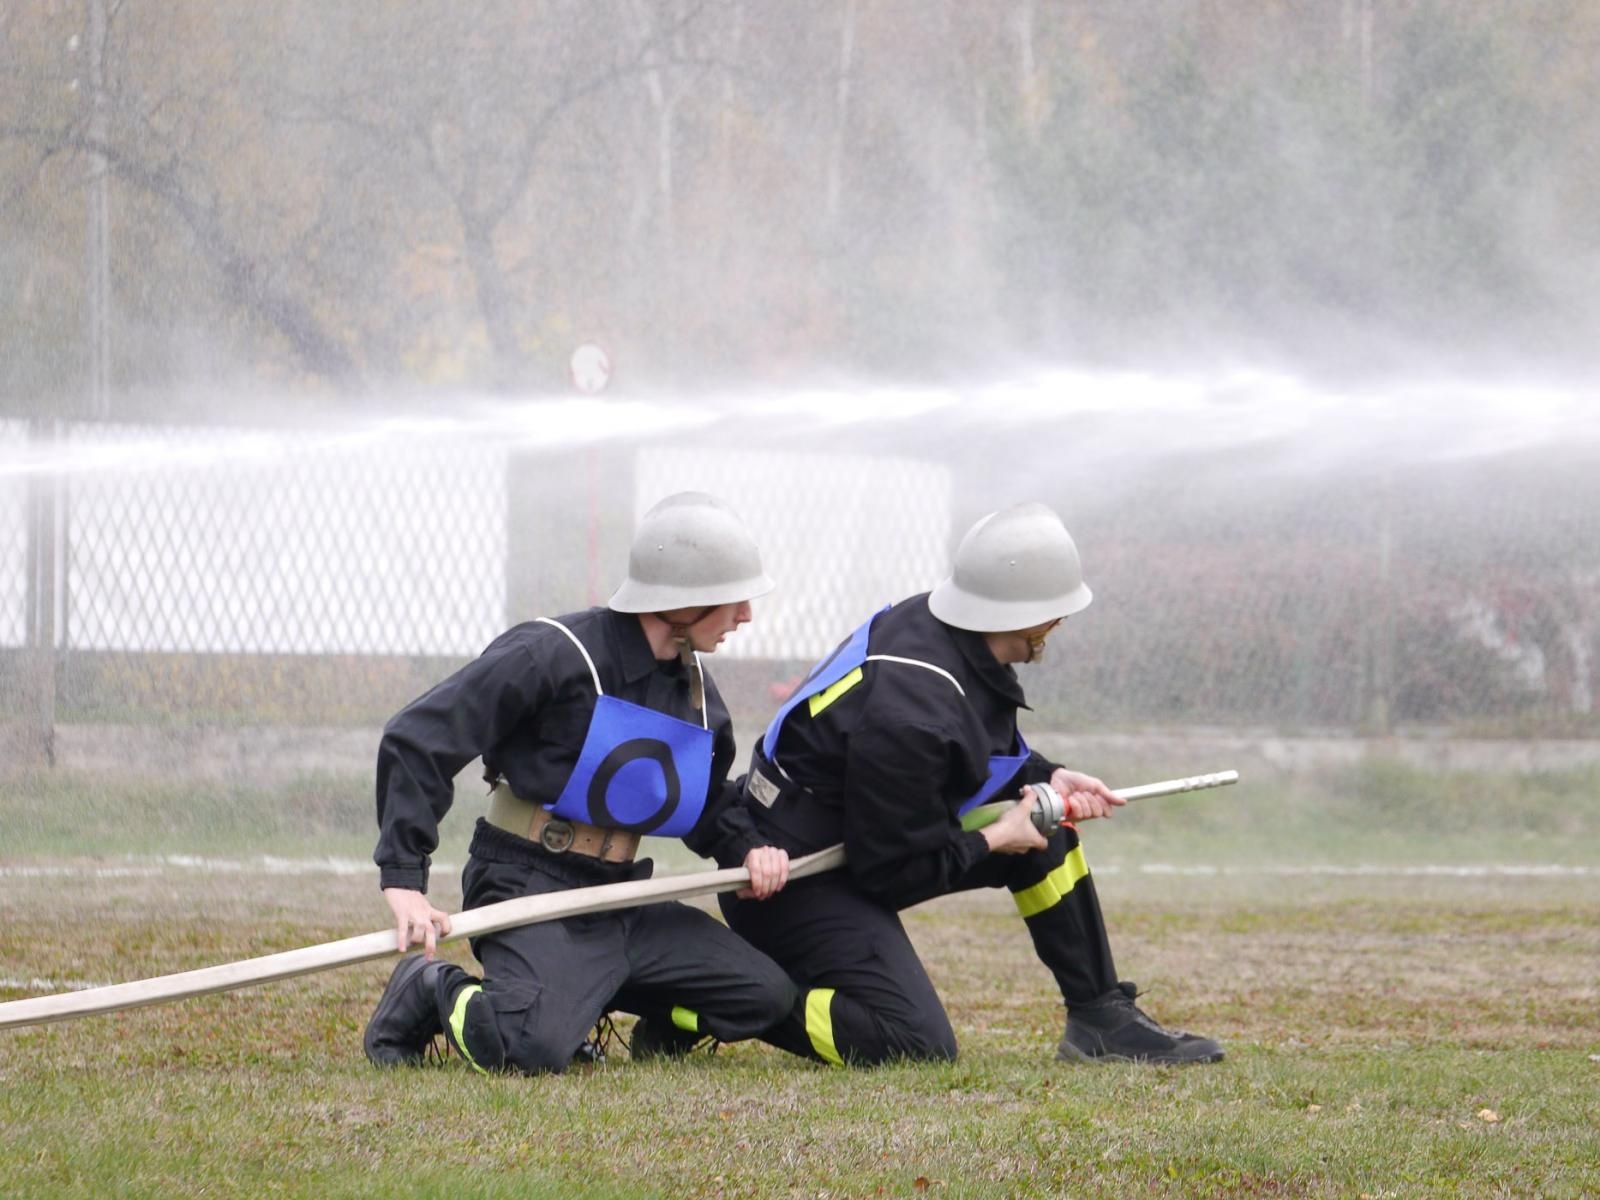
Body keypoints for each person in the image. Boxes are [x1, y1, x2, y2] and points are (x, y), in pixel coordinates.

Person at [719, 501, 1223, 1067]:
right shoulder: (912, 712)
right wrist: (996, 838)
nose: (1060, 623)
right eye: (1056, 611)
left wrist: (1046, 777)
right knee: (916, 1045)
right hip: (791, 879)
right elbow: (889, 869)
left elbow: (966, 757)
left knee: (1045, 827)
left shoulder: (947, 634)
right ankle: (718, 995)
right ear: (1020, 614)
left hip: (854, 841)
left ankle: (1100, 1019)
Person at [363, 491, 796, 1074]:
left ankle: (586, 1001)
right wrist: (404, 879)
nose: (745, 616)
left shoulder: (696, 696)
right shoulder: (550, 654)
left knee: (762, 995)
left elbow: (706, 801)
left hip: (617, 894)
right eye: (733, 598)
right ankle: (430, 987)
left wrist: (746, 849)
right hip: (526, 882)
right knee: (530, 1049)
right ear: (685, 599)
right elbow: (420, 738)